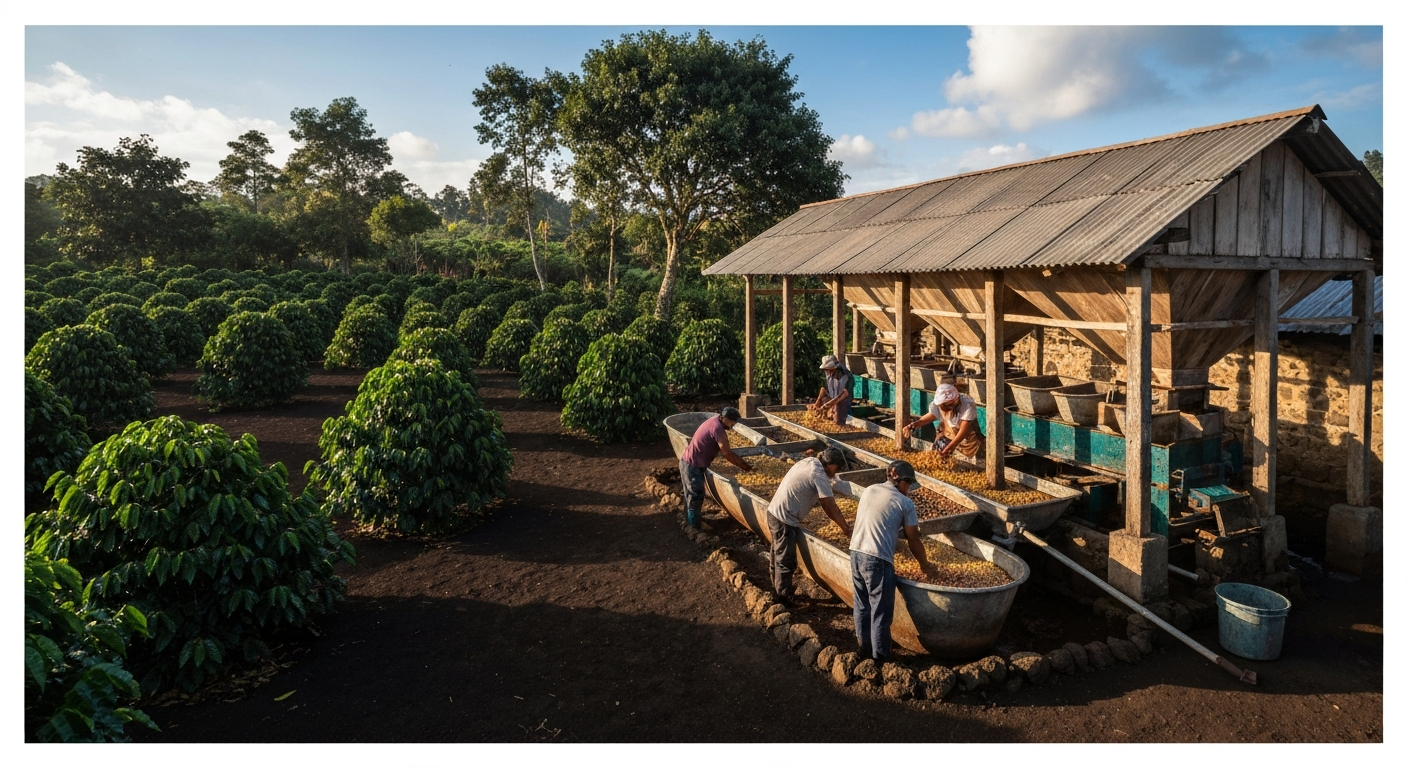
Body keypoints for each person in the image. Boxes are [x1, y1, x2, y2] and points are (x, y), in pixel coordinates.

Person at [849, 460, 939, 663]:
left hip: (855, 553)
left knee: (862, 606)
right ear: (902, 482)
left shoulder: (870, 490)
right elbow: (913, 539)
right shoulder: (905, 503)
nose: (909, 490)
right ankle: (880, 659)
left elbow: (877, 521)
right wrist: (925, 565)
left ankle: (863, 648)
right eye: (909, 485)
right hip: (877, 560)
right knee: (881, 612)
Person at [766, 447, 851, 604]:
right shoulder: (818, 474)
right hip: (784, 519)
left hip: (775, 511)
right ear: (830, 464)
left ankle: (777, 588)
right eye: (837, 467)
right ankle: (784, 598)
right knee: (786, 560)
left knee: (777, 554)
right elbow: (828, 505)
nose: (836, 471)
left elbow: (830, 486)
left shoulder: (810, 462)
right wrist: (845, 527)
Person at [679, 407, 753, 530]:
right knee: (695, 495)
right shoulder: (718, 428)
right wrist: (745, 466)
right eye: (732, 422)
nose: (733, 425)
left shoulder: (714, 421)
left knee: (690, 495)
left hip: (688, 462)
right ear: (725, 418)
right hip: (692, 466)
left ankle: (689, 521)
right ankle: (694, 527)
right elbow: (726, 453)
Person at [902, 382, 984, 465]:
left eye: (948, 405)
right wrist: (914, 425)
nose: (944, 408)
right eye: (942, 405)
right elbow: (932, 415)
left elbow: (964, 429)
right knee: (937, 457)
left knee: (971, 463)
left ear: (955, 400)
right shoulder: (939, 405)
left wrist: (952, 446)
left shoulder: (967, 404)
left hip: (967, 439)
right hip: (948, 434)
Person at [809, 354, 854, 426]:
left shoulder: (846, 375)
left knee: (838, 420)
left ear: (836, 367)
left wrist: (827, 405)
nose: (828, 372)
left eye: (830, 370)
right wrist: (818, 401)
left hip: (843, 401)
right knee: (820, 404)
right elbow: (823, 388)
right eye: (827, 370)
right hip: (832, 397)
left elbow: (844, 393)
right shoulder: (828, 372)